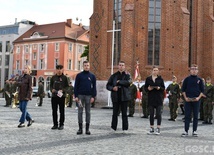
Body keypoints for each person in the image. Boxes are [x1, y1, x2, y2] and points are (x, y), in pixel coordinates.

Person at [106, 61, 131, 131]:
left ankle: (125, 128)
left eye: (122, 65)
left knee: (124, 113)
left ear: (124, 66)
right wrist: (112, 88)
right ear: (118, 66)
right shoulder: (114, 76)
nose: (121, 66)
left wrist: (119, 82)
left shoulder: (127, 75)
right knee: (115, 113)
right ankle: (113, 127)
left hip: (124, 96)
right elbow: (108, 85)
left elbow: (128, 83)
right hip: (115, 96)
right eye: (120, 65)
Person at [181, 64, 204, 137]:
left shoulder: (200, 80)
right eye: (193, 69)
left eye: (195, 69)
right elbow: (183, 90)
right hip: (188, 100)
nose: (194, 70)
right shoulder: (187, 79)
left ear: (197, 71)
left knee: (196, 116)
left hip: (196, 100)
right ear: (190, 70)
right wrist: (185, 98)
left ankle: (194, 130)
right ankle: (186, 130)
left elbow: (202, 91)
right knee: (187, 115)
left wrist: (198, 98)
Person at [74, 60, 97, 135]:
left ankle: (87, 129)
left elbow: (94, 87)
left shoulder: (92, 76)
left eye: (87, 65)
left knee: (88, 112)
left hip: (88, 96)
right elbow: (76, 86)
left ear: (89, 66)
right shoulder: (79, 75)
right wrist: (76, 96)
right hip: (80, 96)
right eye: (85, 65)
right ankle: (80, 128)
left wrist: (93, 96)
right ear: (83, 66)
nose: (86, 67)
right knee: (80, 111)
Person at [144, 66, 165, 135]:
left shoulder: (160, 79)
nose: (155, 71)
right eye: (154, 70)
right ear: (152, 71)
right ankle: (151, 127)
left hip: (158, 98)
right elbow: (145, 88)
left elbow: (163, 88)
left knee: (158, 114)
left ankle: (158, 128)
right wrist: (148, 89)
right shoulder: (148, 79)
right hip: (151, 98)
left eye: (156, 70)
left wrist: (159, 88)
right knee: (151, 114)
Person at [50, 65, 69, 130]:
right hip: (54, 96)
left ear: (62, 70)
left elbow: (67, 87)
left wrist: (63, 90)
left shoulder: (65, 78)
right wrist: (51, 90)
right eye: (58, 69)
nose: (59, 70)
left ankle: (61, 124)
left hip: (61, 96)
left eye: (60, 69)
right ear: (56, 70)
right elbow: (50, 86)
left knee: (62, 111)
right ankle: (55, 124)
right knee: (54, 111)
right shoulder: (53, 77)